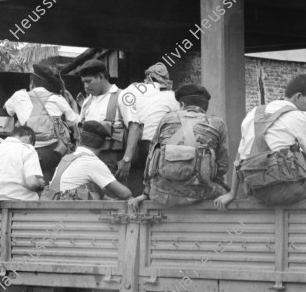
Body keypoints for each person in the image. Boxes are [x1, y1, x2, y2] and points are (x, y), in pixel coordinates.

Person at [128, 84, 229, 211]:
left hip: (161, 193)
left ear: (181, 104)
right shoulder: (217, 123)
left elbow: (151, 158)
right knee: (227, 193)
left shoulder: (166, 119)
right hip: (199, 193)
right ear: (205, 107)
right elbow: (223, 165)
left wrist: (145, 193)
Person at [215, 74, 306, 208]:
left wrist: (232, 194)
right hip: (288, 190)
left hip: (257, 192)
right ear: (298, 96)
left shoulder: (253, 114)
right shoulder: (299, 116)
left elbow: (239, 158)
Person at [4, 64, 79, 181]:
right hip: (52, 152)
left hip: (24, 151)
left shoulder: (19, 96)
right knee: (48, 178)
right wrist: (73, 103)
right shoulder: (57, 99)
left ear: (32, 83)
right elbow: (74, 121)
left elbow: (7, 109)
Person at [77, 59, 142, 187]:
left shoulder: (122, 96)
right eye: (83, 82)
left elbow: (134, 128)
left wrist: (126, 160)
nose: (85, 86)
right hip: (88, 159)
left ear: (101, 77)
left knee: (113, 199)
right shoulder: (87, 101)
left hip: (111, 159)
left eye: (89, 81)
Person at [122, 62, 180, 196]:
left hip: (136, 147)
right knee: (160, 188)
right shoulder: (172, 96)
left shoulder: (134, 92)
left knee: (139, 185)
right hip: (159, 148)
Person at [45, 121, 132, 200]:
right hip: (68, 210)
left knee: (94, 190)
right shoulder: (92, 162)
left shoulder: (67, 158)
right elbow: (125, 194)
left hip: (53, 205)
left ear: (80, 140)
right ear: (105, 144)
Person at [0, 126, 45, 201]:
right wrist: (40, 183)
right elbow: (32, 183)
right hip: (25, 205)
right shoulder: (28, 149)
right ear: (29, 138)